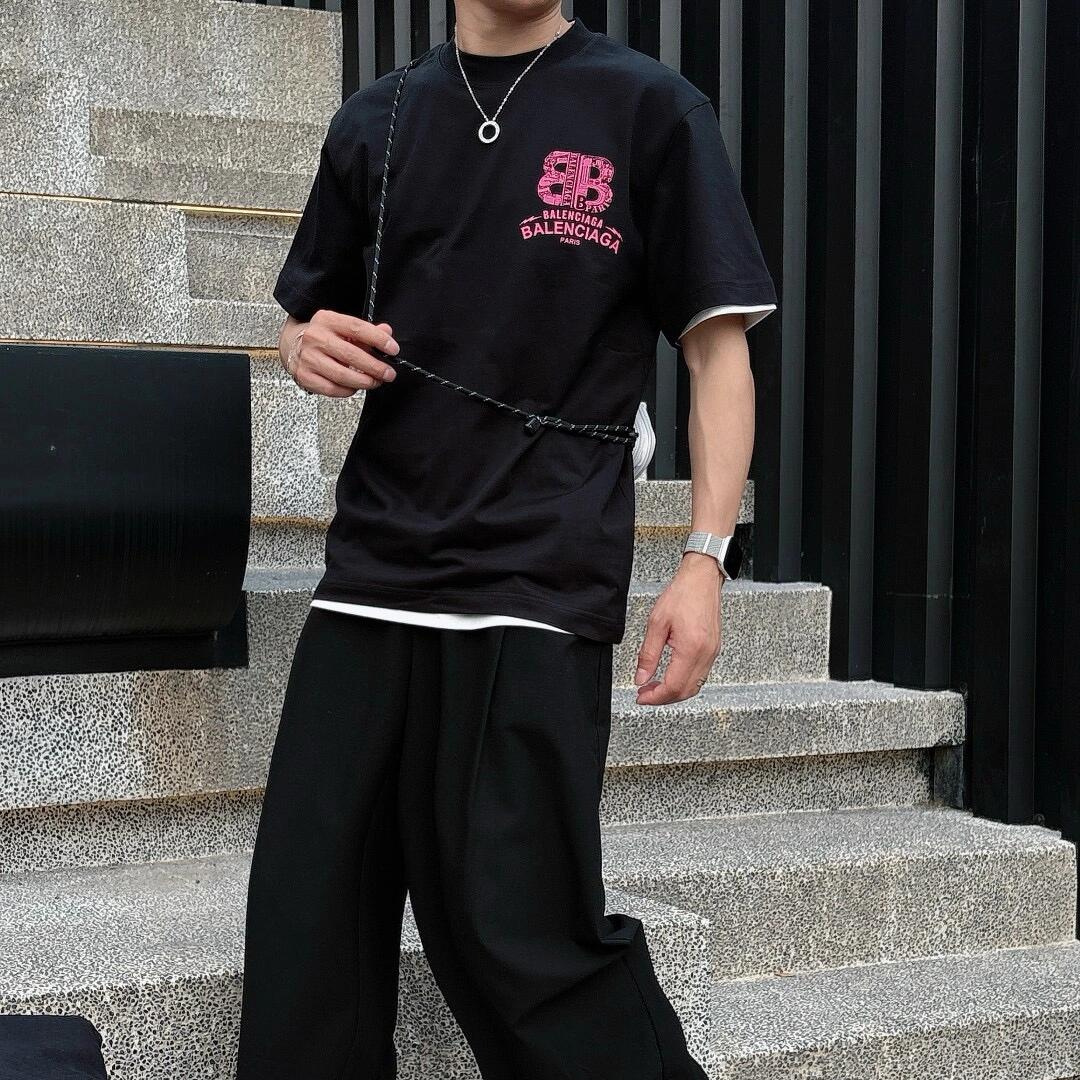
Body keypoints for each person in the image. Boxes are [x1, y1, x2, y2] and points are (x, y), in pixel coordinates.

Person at [234, 3, 777, 1078]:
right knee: (306, 937)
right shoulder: (376, 119)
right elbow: (307, 315)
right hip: (373, 575)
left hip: (537, 576)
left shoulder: (650, 110)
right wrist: (303, 343)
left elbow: (718, 354)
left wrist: (705, 558)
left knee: (523, 937)